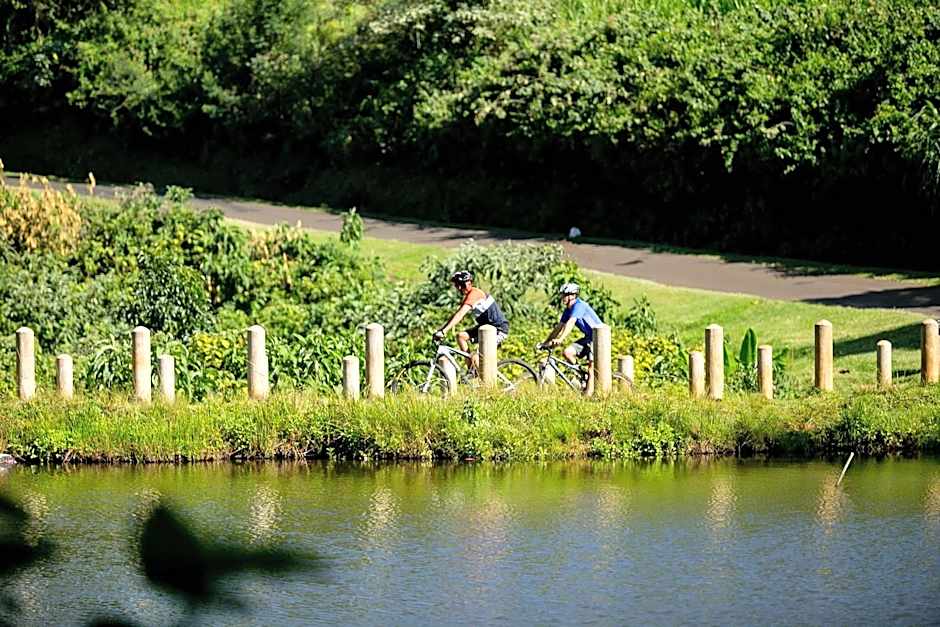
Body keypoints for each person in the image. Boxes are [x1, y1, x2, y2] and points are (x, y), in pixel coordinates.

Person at [433, 270, 509, 372]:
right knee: (461, 336)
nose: (459, 288)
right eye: (457, 286)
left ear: (469, 283)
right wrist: (441, 329)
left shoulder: (474, 294)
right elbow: (456, 314)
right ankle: (472, 372)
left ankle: (484, 383)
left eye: (461, 285)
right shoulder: (469, 296)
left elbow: (460, 315)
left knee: (476, 357)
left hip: (498, 330)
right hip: (485, 327)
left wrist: (444, 331)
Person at [541, 282, 602, 394]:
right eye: (562, 295)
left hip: (599, 338)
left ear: (573, 295)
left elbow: (571, 322)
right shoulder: (568, 310)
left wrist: (561, 339)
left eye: (565, 295)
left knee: (591, 367)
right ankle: (582, 376)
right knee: (567, 352)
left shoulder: (580, 305)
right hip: (589, 337)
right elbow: (558, 328)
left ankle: (588, 396)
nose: (562, 297)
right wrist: (545, 342)